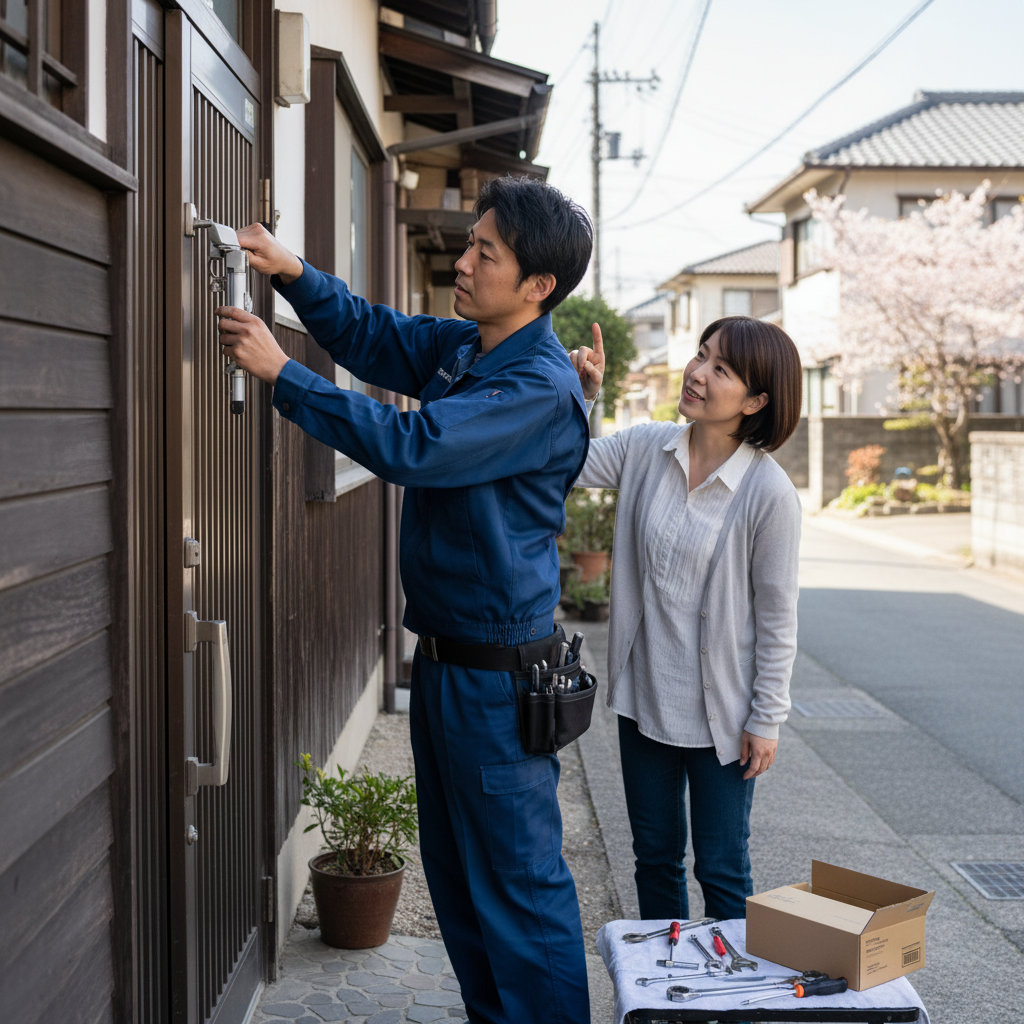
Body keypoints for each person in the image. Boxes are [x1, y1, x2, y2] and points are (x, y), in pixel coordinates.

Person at [215, 176, 594, 1023]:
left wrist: (286, 376)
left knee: (520, 894)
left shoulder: (537, 385)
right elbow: (373, 334)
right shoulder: (470, 347)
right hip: (450, 665)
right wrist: (291, 271)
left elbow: (417, 445)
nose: (463, 262)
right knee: (459, 884)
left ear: (537, 285)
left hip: (500, 681)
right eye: (470, 244)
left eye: (485, 253)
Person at [569, 315, 802, 922]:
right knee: (654, 859)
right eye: (701, 355)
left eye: (720, 369)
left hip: (724, 718)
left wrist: (767, 719)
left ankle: (731, 984)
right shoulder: (647, 448)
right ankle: (665, 981)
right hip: (645, 698)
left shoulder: (769, 494)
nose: (697, 373)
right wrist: (584, 397)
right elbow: (568, 463)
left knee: (721, 869)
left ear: (755, 401)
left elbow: (778, 620)